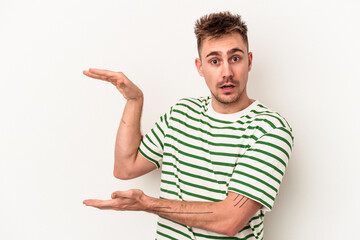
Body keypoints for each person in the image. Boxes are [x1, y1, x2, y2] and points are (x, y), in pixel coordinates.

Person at [83, 11, 293, 239]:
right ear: (200, 67)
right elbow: (126, 167)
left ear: (249, 61)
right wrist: (134, 101)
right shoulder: (181, 113)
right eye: (214, 61)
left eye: (235, 58)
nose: (227, 73)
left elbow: (229, 220)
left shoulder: (270, 129)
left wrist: (148, 203)